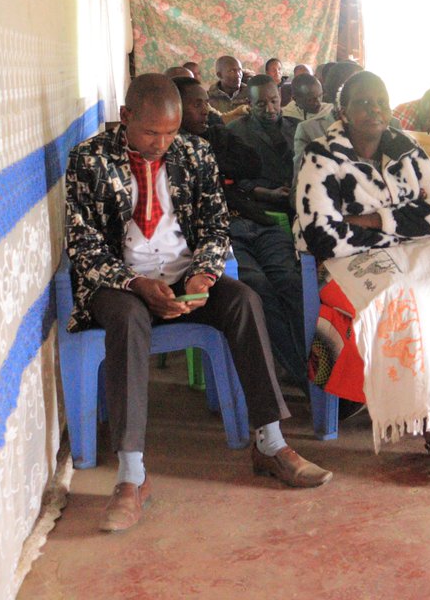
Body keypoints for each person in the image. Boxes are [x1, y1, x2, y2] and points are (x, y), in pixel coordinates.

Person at [65, 75, 331, 532]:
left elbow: (214, 227)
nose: (162, 143)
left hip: (184, 275)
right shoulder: (88, 160)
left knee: (245, 300)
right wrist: (134, 283)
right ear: (126, 117)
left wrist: (204, 274)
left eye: (170, 133)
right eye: (151, 133)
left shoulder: (194, 152)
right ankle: (132, 475)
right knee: (128, 320)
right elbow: (84, 245)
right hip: (121, 284)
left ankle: (270, 442)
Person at [295, 71, 430, 483]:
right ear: (343, 111)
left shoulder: (406, 147)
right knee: (404, 298)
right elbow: (323, 234)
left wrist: (374, 219)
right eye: (363, 102)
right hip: (346, 263)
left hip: (411, 250)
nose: (375, 109)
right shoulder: (321, 156)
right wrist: (405, 224)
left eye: (381, 100)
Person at [174, 77, 310, 383]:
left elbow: (248, 165)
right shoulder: (169, 153)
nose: (205, 109)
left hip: (256, 220)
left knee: (291, 281)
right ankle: (311, 379)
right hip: (223, 233)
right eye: (197, 104)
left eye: (205, 103)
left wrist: (215, 130)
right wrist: (226, 175)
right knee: (259, 287)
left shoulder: (214, 135)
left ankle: (312, 367)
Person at [228, 75, 298, 217]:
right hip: (261, 208)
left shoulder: (297, 127)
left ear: (280, 95)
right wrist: (267, 194)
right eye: (261, 104)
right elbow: (233, 180)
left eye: (274, 101)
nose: (270, 109)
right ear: (249, 103)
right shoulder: (235, 131)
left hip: (300, 202)